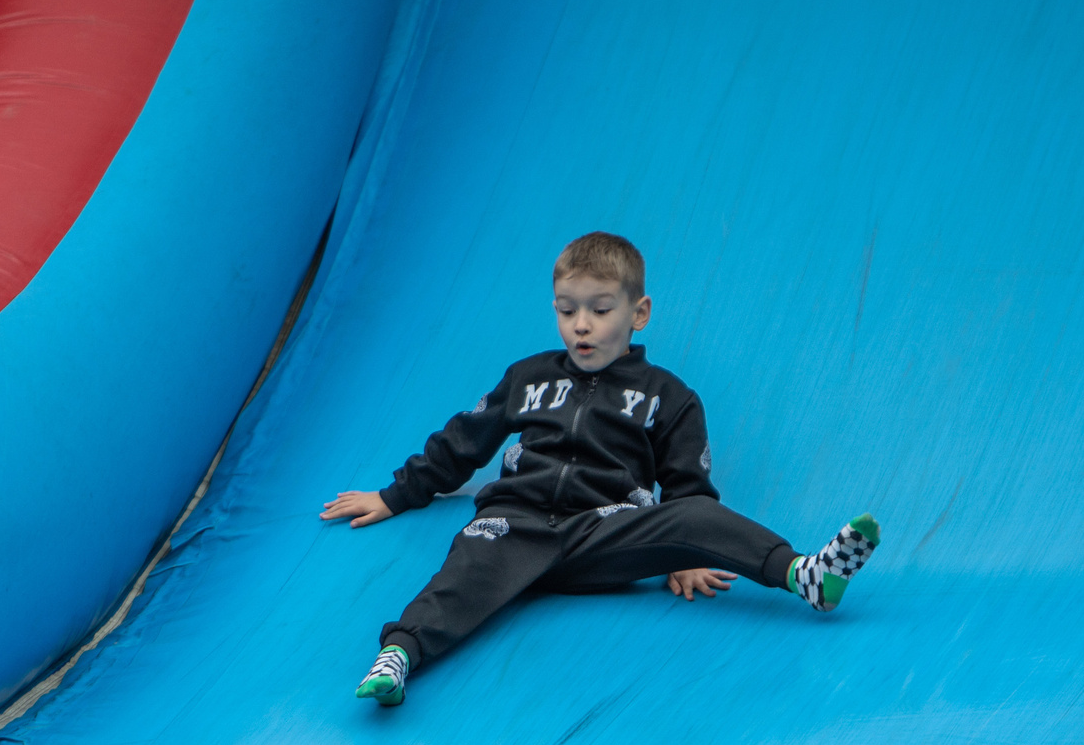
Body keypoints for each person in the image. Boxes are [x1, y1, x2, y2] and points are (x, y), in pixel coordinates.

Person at [322, 231, 880, 706]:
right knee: (464, 568)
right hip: (514, 528)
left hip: (602, 535)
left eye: (599, 310)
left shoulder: (670, 396)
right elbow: (463, 441)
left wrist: (682, 555)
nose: (581, 326)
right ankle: (396, 659)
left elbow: (689, 488)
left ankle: (805, 575)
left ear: (639, 313)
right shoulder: (528, 377)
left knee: (690, 517)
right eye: (567, 311)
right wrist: (396, 495)